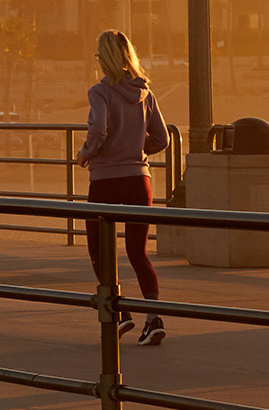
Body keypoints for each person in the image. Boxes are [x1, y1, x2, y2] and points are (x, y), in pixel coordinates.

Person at [76, 30, 169, 346]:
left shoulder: (99, 93)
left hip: (105, 182)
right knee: (137, 251)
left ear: (105, 59)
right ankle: (153, 318)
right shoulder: (146, 93)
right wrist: (135, 152)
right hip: (139, 181)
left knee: (99, 250)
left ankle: (119, 315)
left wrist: (85, 154)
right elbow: (163, 139)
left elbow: (99, 128)